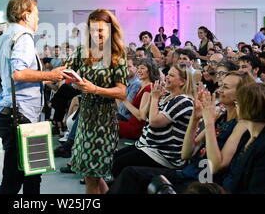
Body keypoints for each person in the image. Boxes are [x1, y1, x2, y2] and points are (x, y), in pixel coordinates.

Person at [107, 71, 254, 194]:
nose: (219, 89)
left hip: (204, 182)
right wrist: (195, 120)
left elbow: (214, 167)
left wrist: (208, 123)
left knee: (129, 174)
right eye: (221, 85)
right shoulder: (220, 117)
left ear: (241, 94)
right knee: (127, 172)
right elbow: (186, 154)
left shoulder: (240, 125)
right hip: (188, 172)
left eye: (226, 87)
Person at [0, 0, 69, 194]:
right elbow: (18, 73)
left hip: (16, 114)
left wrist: (44, 78)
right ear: (26, 16)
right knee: (14, 180)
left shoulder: (5, 36)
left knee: (33, 176)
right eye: (36, 14)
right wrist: (50, 74)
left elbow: (5, 68)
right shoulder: (24, 37)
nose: (38, 19)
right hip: (22, 117)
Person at [65, 9, 128, 194]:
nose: (96, 34)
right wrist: (74, 82)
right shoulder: (82, 52)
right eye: (92, 30)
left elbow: (122, 91)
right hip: (85, 120)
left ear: (111, 30)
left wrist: (95, 89)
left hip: (104, 121)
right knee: (92, 174)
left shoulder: (117, 54)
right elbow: (66, 73)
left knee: (91, 176)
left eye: (100, 30)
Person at [111, 65, 195, 178]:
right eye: (167, 74)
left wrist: (154, 98)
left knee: (118, 164)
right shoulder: (167, 96)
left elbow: (153, 122)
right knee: (114, 158)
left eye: (171, 75)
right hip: (146, 145)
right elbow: (146, 115)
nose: (166, 77)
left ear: (182, 82)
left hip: (161, 154)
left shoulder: (183, 101)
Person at [220, 83, 265, 193]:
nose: (236, 107)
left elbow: (257, 189)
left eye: (237, 103)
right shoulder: (248, 134)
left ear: (249, 107)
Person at [118, 59, 160, 140]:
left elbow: (141, 116)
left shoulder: (149, 88)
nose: (139, 71)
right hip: (131, 123)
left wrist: (124, 99)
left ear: (150, 70)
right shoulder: (143, 86)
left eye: (143, 68)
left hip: (136, 129)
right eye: (138, 68)